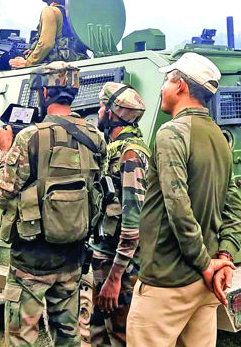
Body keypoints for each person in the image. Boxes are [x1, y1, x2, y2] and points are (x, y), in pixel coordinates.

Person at [126, 52, 241, 347]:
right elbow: (234, 206)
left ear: (180, 86)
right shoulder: (219, 136)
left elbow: (177, 205)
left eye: (167, 81)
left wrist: (205, 263)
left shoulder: (171, 133)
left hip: (168, 281)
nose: (162, 88)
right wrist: (224, 258)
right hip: (205, 284)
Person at [0, 61, 106, 347]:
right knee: (68, 336)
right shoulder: (95, 138)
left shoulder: (29, 137)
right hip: (73, 254)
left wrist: (5, 150)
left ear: (44, 93)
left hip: (32, 258)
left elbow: (2, 195)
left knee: (22, 338)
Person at [88, 82, 150, 346]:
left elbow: (133, 221)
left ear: (111, 112)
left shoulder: (130, 154)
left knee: (121, 336)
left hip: (121, 269)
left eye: (102, 106)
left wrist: (115, 278)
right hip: (106, 260)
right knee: (98, 333)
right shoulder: (115, 149)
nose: (99, 111)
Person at [9, 0, 88, 69]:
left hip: (56, 69)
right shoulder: (73, 16)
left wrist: (28, 63)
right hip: (77, 64)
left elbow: (46, 44)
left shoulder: (50, 11)